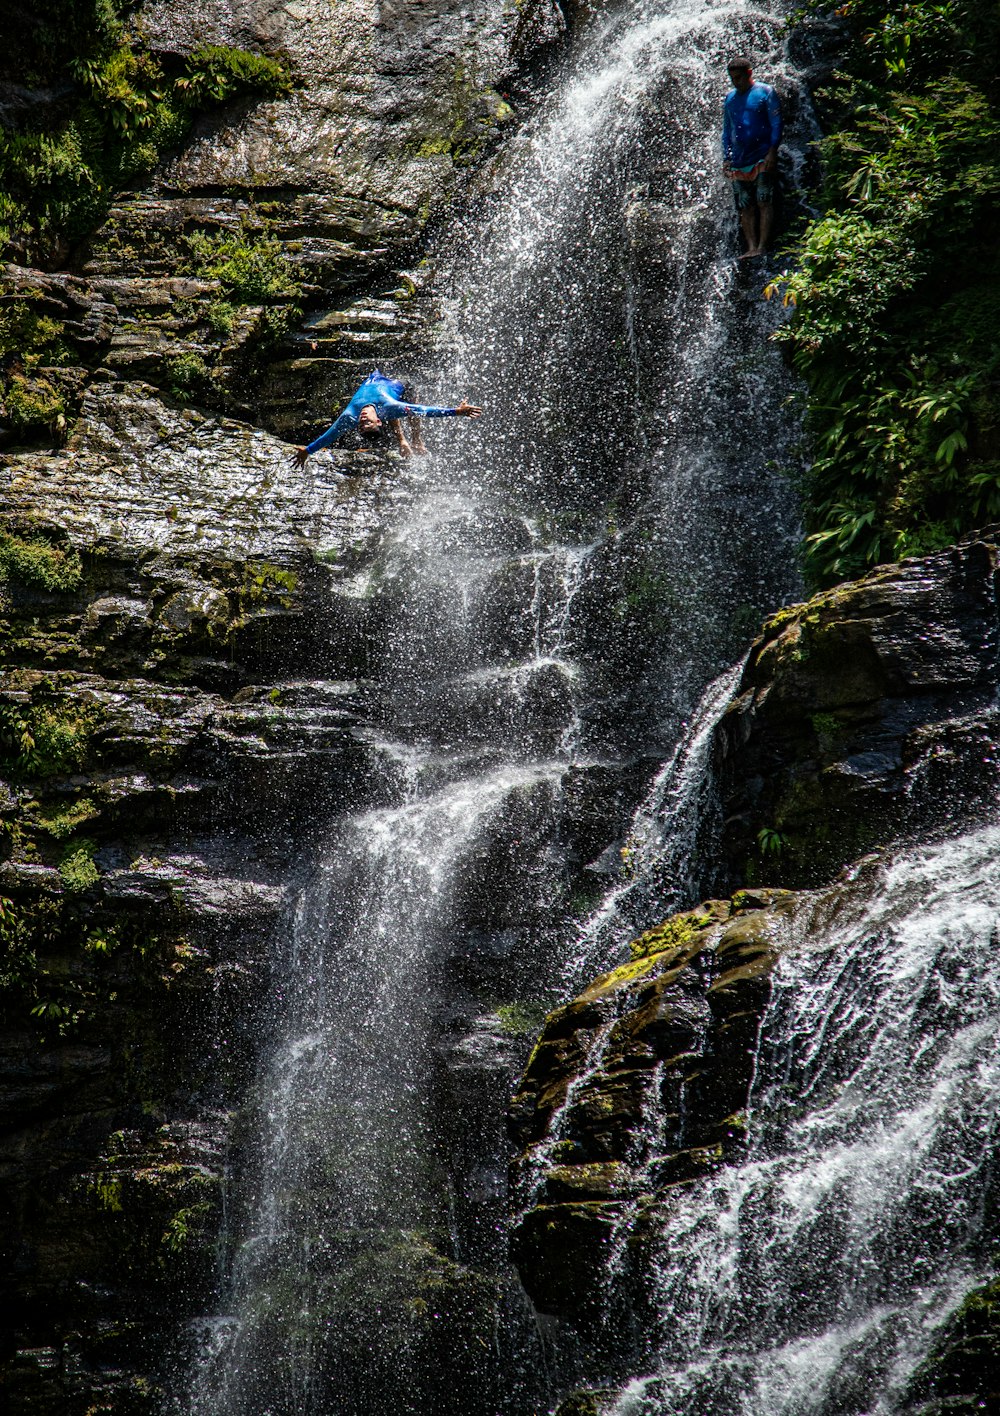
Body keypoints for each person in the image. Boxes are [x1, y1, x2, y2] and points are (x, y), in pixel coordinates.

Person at [290, 369, 482, 467]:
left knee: (400, 408)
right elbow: (425, 410)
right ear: (377, 422)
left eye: (362, 423)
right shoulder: (388, 407)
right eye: (368, 422)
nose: (364, 418)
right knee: (405, 408)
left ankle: (411, 439)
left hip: (382, 380)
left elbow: (328, 437)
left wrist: (308, 451)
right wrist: (456, 411)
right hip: (396, 387)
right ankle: (408, 439)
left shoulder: (349, 417)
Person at [721, 58, 782, 259]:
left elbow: (776, 122)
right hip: (739, 159)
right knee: (744, 204)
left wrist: (773, 150)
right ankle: (751, 246)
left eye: (738, 77)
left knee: (764, 198)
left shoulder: (765, 92)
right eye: (732, 78)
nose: (735, 82)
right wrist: (726, 158)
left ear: (749, 73)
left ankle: (762, 245)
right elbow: (726, 131)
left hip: (762, 155)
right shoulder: (730, 99)